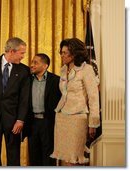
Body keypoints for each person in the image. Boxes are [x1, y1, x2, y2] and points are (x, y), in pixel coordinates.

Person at [50, 38, 100, 166]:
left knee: (75, 158)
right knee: (64, 157)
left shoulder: (86, 69)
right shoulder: (63, 70)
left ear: (75, 53)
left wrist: (93, 123)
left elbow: (93, 97)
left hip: (78, 118)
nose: (62, 55)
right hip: (61, 117)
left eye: (65, 52)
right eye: (61, 52)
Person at [0, 37, 31, 166]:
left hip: (13, 120)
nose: (23, 56)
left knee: (14, 156)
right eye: (21, 53)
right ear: (11, 51)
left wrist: (20, 119)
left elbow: (24, 98)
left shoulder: (24, 71)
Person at [27, 53, 61, 166]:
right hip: (32, 123)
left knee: (48, 155)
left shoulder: (56, 80)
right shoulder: (27, 80)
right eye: (32, 62)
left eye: (35, 62)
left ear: (45, 65)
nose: (32, 65)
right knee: (33, 155)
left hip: (48, 122)